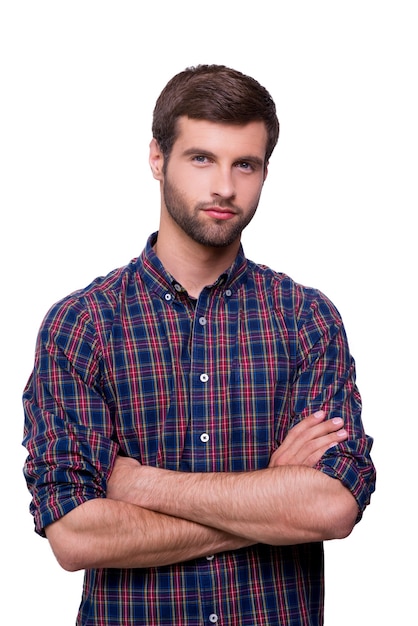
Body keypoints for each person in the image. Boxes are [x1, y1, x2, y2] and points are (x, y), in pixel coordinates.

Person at [22, 64, 376, 626]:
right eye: (201, 158)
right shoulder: (83, 325)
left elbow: (331, 506)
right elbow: (76, 534)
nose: (225, 188)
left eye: (246, 165)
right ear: (157, 159)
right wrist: (267, 500)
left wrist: (139, 484)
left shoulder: (306, 320)